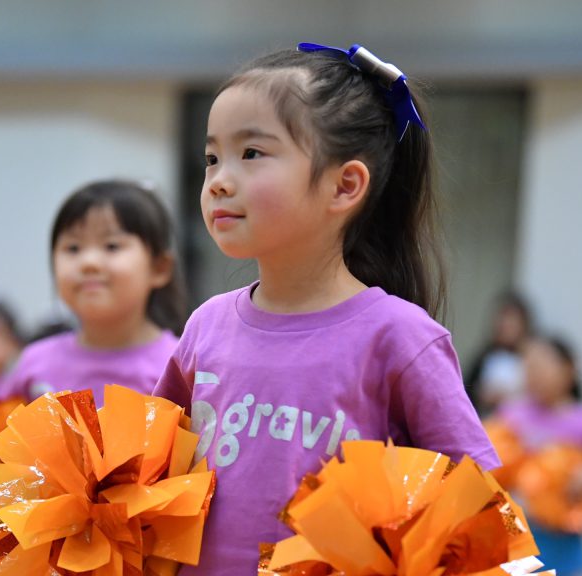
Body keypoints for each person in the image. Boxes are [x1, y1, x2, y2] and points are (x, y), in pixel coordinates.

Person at [152, 43, 497, 572]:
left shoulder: (399, 337)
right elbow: (149, 479)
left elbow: (476, 506)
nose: (219, 179)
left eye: (251, 154)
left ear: (345, 185)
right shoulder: (206, 326)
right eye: (211, 158)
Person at [0, 179, 186, 406]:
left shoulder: (179, 367)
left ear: (159, 268)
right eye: (73, 248)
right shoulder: (34, 365)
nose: (88, 263)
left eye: (112, 246)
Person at [496, 335, 582, 576]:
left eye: (542, 365)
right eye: (529, 366)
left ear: (568, 369)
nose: (534, 373)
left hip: (566, 538)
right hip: (516, 536)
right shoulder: (512, 415)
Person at [465, 291, 534, 416]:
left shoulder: (532, 358)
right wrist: (482, 395)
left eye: (512, 322)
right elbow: (467, 392)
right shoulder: (483, 357)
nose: (506, 326)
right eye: (503, 321)